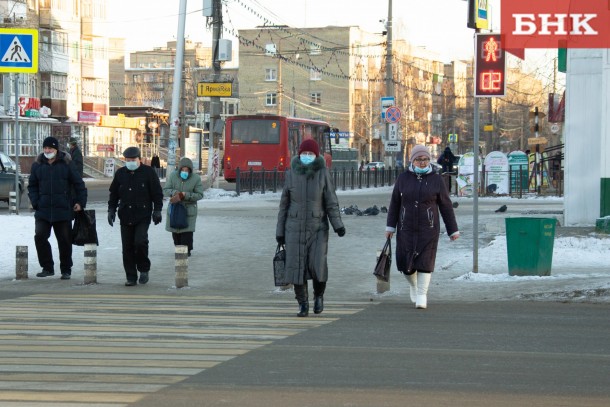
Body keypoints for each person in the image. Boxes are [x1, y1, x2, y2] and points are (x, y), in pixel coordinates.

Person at [276, 139, 346, 317]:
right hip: (294, 228)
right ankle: (302, 304)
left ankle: (319, 296)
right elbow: (284, 205)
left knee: (318, 265)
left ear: (317, 156)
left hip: (318, 228)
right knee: (296, 267)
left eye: (311, 154)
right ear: (299, 154)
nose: (307, 157)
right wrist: (280, 232)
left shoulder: (323, 173)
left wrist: (337, 225)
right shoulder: (291, 173)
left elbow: (331, 201)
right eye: (304, 154)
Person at [385, 144, 459, 309]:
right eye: (419, 159)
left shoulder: (436, 179)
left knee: (425, 262)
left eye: (425, 159)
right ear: (412, 160)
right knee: (406, 265)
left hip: (429, 228)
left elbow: (446, 206)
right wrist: (390, 227)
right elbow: (395, 204)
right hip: (406, 228)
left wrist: (452, 229)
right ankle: (413, 285)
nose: (422, 162)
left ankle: (422, 295)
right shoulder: (403, 178)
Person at [28, 136, 87, 280]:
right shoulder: (37, 164)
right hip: (43, 210)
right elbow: (32, 185)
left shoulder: (66, 163)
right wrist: (35, 202)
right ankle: (47, 267)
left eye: (50, 148)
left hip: (63, 209)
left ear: (56, 149)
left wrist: (80, 202)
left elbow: (79, 184)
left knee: (64, 241)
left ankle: (66, 269)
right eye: (45, 148)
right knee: (40, 236)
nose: (47, 151)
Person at [108, 146, 163, 286]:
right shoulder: (120, 173)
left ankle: (144, 269)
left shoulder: (148, 172)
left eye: (133, 159)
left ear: (139, 159)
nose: (130, 162)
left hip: (142, 214)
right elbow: (114, 194)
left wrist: (157, 210)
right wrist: (111, 210)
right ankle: (131, 276)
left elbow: (157, 193)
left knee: (140, 242)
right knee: (127, 247)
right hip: (125, 214)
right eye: (127, 160)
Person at [163, 157, 204, 256]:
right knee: (176, 234)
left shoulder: (196, 178)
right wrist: (175, 193)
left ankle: (186, 254)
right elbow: (166, 190)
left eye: (187, 170)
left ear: (190, 170)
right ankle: (180, 252)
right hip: (175, 209)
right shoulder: (173, 176)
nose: (184, 171)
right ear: (179, 169)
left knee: (186, 234)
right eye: (183, 169)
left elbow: (200, 195)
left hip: (188, 210)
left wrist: (186, 195)